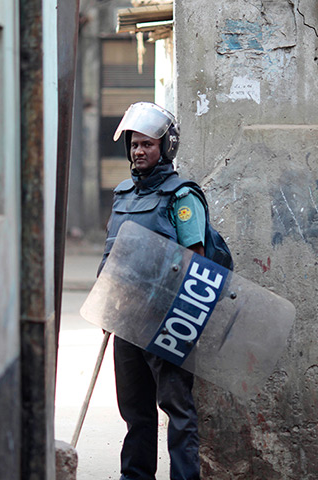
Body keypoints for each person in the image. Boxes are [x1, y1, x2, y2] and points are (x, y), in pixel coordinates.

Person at [100, 102, 206, 480]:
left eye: (147, 144)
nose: (139, 151)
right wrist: (103, 306)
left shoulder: (182, 197)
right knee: (135, 413)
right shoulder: (123, 194)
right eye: (134, 144)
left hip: (167, 322)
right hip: (126, 320)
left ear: (165, 147)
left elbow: (196, 262)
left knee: (177, 411)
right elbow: (112, 253)